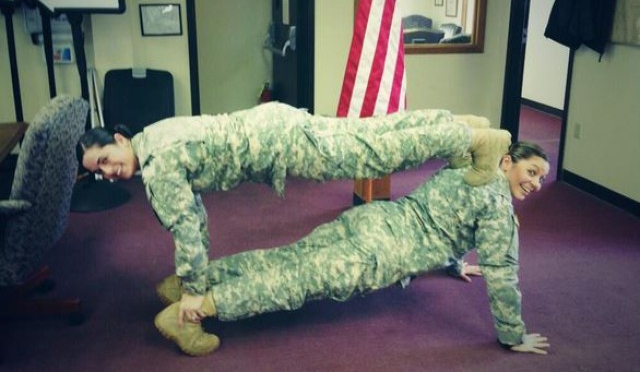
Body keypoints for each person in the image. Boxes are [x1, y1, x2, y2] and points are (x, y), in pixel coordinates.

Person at [77, 102, 510, 327]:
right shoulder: (153, 135)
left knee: (372, 154)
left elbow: (187, 227)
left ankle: (470, 138)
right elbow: (194, 215)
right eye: (100, 172)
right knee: (368, 133)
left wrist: (194, 289)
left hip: (281, 144)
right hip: (276, 124)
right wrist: (197, 278)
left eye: (106, 159)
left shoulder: (158, 169)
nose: (111, 172)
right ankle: (455, 122)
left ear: (119, 138)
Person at [153, 141, 550, 357]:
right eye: (531, 171)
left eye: (541, 179)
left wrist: (453, 262)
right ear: (507, 161)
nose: (534, 183)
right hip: (380, 253)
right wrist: (512, 335)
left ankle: (188, 284)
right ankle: (189, 312)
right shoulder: (499, 208)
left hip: (371, 219)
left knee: (289, 257)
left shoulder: (467, 168)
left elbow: (443, 218)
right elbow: (502, 275)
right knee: (293, 281)